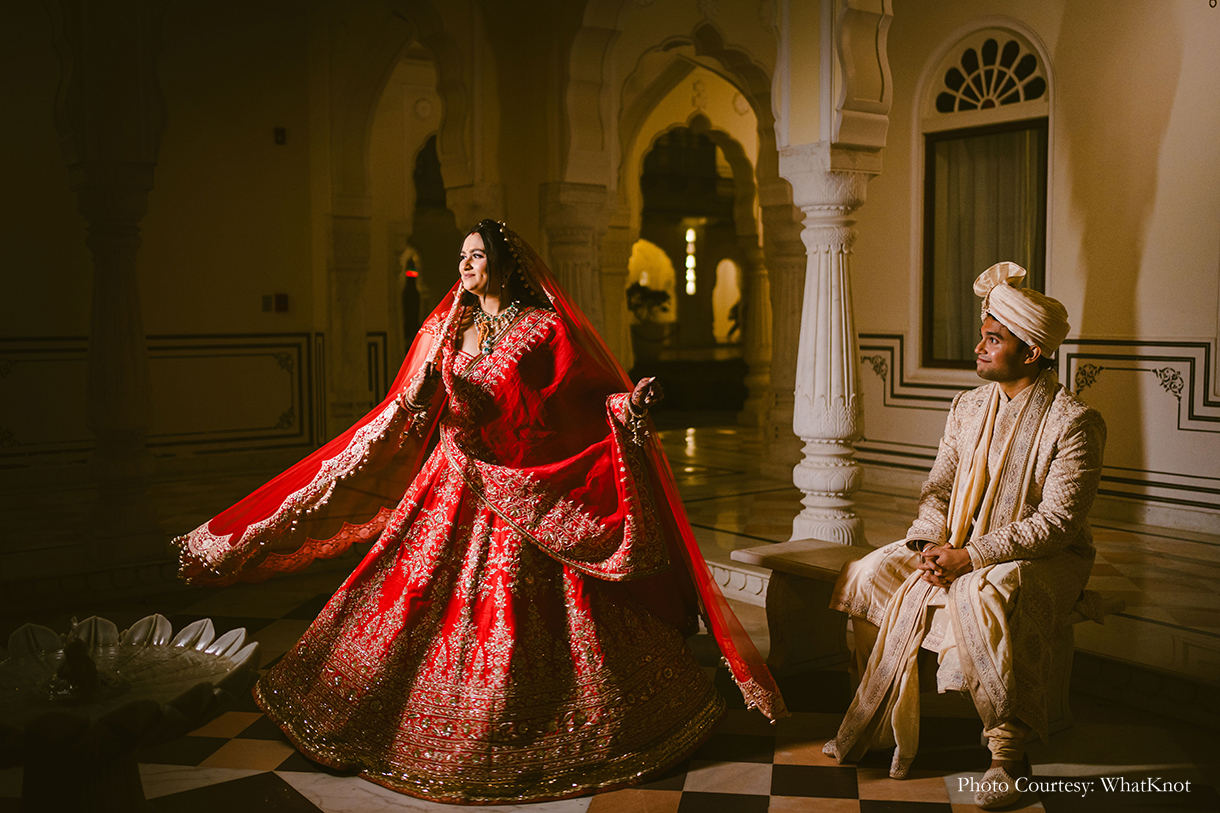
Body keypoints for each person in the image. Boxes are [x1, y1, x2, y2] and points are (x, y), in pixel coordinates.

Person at [174, 220, 785, 804]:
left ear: (506, 265)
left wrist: (628, 406)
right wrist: (421, 397)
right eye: (461, 256)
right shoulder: (445, 327)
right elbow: (413, 404)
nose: (464, 265)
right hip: (450, 485)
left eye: (477, 255)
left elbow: (581, 401)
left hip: (526, 494)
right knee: (408, 598)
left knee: (539, 615)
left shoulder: (545, 328)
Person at [822, 262, 1105, 810]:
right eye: (983, 334)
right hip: (953, 542)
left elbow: (1057, 525)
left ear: (1032, 353)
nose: (978, 346)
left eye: (993, 339)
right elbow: (938, 488)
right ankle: (876, 708)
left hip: (1046, 556)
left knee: (988, 593)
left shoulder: (1074, 421)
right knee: (867, 572)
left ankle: (1007, 754)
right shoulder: (967, 406)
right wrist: (929, 546)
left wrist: (969, 556)